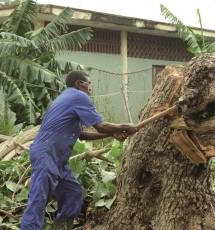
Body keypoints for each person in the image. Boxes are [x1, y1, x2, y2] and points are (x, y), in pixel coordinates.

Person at [20, 70, 138, 229]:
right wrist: (124, 126)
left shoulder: (65, 98)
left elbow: (81, 134)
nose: (90, 88)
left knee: (73, 193)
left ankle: (61, 227)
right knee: (38, 200)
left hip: (58, 158)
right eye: (88, 84)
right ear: (78, 84)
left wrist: (112, 132)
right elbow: (100, 126)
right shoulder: (78, 96)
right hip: (47, 153)